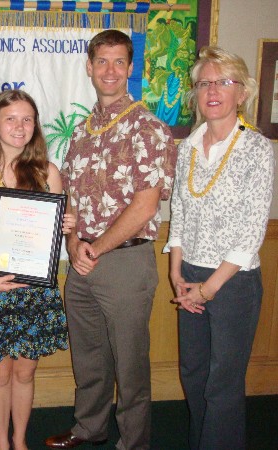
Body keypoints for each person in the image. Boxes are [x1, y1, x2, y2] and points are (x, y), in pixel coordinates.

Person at [45, 30, 177, 450]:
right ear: (89, 66)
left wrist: (94, 248)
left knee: (130, 364)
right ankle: (89, 427)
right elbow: (72, 199)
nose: (110, 70)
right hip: (80, 261)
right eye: (102, 61)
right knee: (89, 358)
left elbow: (145, 205)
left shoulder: (149, 128)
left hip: (124, 263)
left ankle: (134, 442)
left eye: (119, 62)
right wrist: (72, 245)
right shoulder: (82, 131)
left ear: (130, 68)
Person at [166, 47, 274, 450]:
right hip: (189, 276)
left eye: (223, 82)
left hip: (232, 284)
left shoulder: (256, 150)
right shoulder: (188, 147)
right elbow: (178, 210)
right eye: (204, 82)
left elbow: (250, 235)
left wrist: (208, 289)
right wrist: (177, 275)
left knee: (222, 387)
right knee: (194, 375)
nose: (212, 90)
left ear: (241, 93)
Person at [0, 89, 74, 450]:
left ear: (35, 125)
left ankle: (20, 441)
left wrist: (67, 224)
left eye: (27, 119)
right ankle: (1, 443)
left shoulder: (48, 173)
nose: (20, 126)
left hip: (35, 290)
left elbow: (58, 232)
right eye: (11, 118)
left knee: (25, 371)